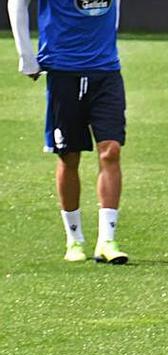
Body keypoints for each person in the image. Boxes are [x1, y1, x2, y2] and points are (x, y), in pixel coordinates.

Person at [8, 0, 129, 264]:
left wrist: (110, 39)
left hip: (106, 71)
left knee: (111, 150)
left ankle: (107, 240)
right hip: (63, 72)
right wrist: (26, 55)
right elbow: (17, 3)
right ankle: (74, 238)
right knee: (69, 156)